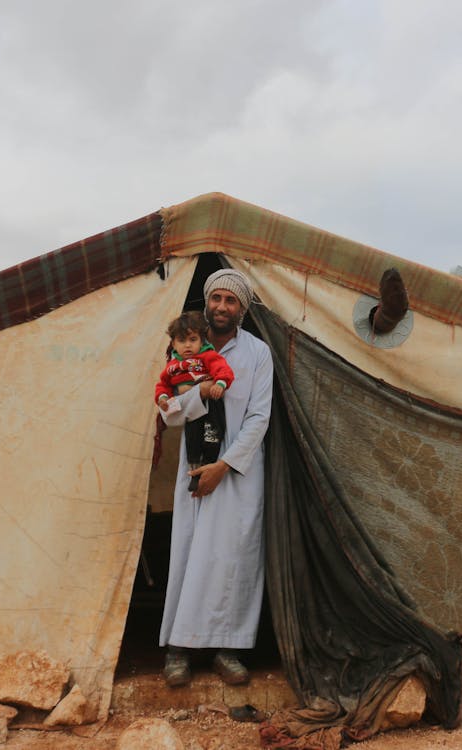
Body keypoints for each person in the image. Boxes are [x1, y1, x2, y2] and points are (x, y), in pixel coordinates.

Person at [158, 268, 274, 687]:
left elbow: (260, 416)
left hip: (238, 472)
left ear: (242, 308)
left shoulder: (258, 353)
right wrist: (198, 394)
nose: (222, 307)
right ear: (206, 302)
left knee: (232, 557)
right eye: (217, 298)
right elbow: (167, 413)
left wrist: (224, 467)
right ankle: (179, 649)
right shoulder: (182, 350)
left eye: (232, 300)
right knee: (189, 553)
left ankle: (227, 649)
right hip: (194, 463)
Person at [154, 311, 235, 491]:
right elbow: (163, 385)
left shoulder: (206, 356)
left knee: (212, 434)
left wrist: (220, 384)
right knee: (192, 438)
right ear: (173, 343)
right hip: (190, 409)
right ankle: (194, 471)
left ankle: (209, 463)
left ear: (201, 340)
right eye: (182, 341)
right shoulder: (172, 366)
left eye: (192, 339)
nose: (188, 345)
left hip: (211, 404)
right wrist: (163, 398)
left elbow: (223, 370)